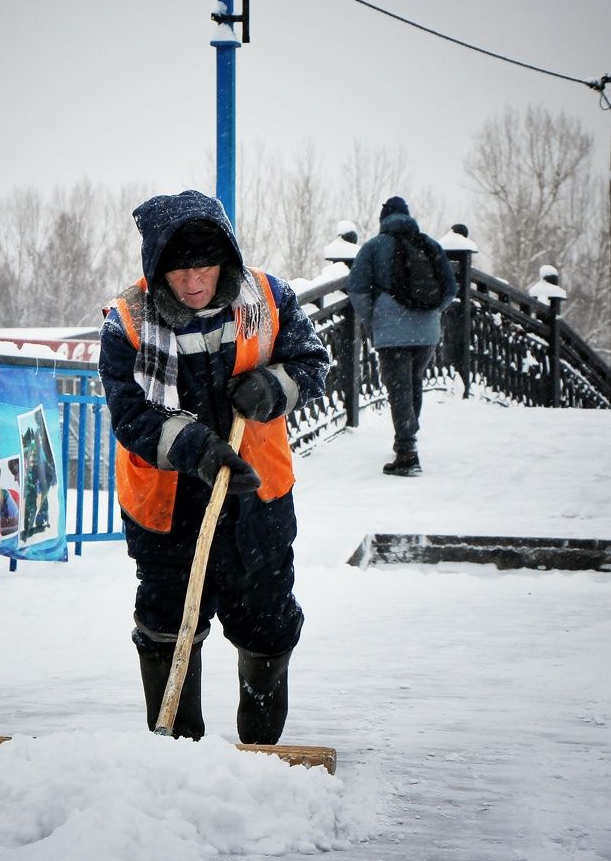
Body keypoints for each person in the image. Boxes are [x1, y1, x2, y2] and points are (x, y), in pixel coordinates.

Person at [99, 189, 329, 744]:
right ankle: (179, 753)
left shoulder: (269, 298)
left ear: (225, 260)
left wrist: (273, 385)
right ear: (157, 270)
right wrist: (196, 447)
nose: (194, 281)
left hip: (259, 496)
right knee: (167, 626)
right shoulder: (127, 322)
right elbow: (130, 414)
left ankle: (259, 748)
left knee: (267, 626)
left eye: (204, 266)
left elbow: (312, 362)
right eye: (179, 271)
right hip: (167, 504)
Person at [348, 196, 457, 476]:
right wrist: (431, 312)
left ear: (383, 219)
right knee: (413, 384)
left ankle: (407, 453)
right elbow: (450, 289)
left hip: (392, 332)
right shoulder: (430, 245)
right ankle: (407, 438)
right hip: (427, 333)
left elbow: (358, 290)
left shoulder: (373, 247)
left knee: (399, 390)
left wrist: (374, 321)